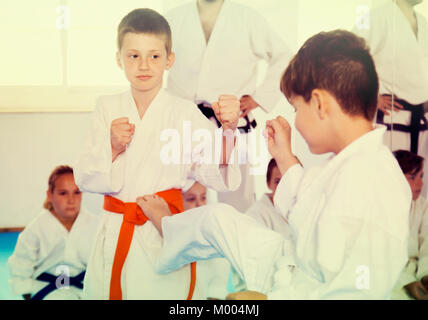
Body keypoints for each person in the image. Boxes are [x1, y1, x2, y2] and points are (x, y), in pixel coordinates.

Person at [137, 30, 412, 299]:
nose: (296, 120)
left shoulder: (371, 182)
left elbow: (355, 292)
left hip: (301, 286)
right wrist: (285, 157)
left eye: (296, 109)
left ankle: (170, 232)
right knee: (217, 219)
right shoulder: (350, 163)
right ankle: (171, 229)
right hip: (296, 263)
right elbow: (308, 214)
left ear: (319, 104)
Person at [74, 8, 241, 300]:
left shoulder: (184, 112)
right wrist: (112, 146)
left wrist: (228, 129)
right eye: (133, 55)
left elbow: (214, 170)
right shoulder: (106, 106)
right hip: (116, 228)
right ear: (119, 59)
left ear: (169, 60)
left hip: (162, 227)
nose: (144, 65)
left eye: (154, 56)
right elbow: (86, 175)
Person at [165, 0, 292, 212]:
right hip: (184, 119)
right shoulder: (173, 19)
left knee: (237, 200)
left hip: (232, 121)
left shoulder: (247, 18)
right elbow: (154, 60)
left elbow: (284, 56)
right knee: (181, 194)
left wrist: (258, 98)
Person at [353, 0, 428, 197]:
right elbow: (349, 56)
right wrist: (372, 96)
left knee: (419, 192)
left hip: (421, 123)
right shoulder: (377, 18)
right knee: (387, 188)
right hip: (393, 120)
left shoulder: (424, 23)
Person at [8, 165, 99, 300]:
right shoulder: (36, 228)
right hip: (45, 288)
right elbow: (20, 265)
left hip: (85, 287)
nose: (71, 200)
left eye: (77, 192)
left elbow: (104, 264)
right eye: (63, 193)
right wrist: (26, 290)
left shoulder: (95, 225)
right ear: (50, 195)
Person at [391, 150, 428, 300]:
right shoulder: (380, 209)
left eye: (421, 176)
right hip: (393, 275)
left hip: (419, 269)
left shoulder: (423, 206)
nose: (420, 183)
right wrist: (407, 281)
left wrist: (425, 275)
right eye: (412, 177)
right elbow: (380, 257)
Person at [245, 158, 291, 238]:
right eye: (277, 182)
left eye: (288, 180)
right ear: (268, 183)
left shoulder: (303, 208)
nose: (284, 187)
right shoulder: (256, 214)